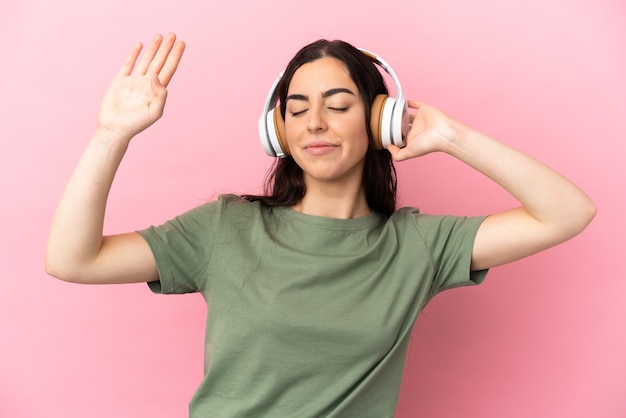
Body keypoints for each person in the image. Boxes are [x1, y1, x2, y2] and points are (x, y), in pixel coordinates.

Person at [45, 33, 596, 417]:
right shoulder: (223, 229)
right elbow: (72, 261)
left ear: (377, 119)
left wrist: (451, 136)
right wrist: (110, 135)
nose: (314, 122)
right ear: (277, 128)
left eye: (338, 104)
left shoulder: (419, 245)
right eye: (297, 107)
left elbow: (568, 212)